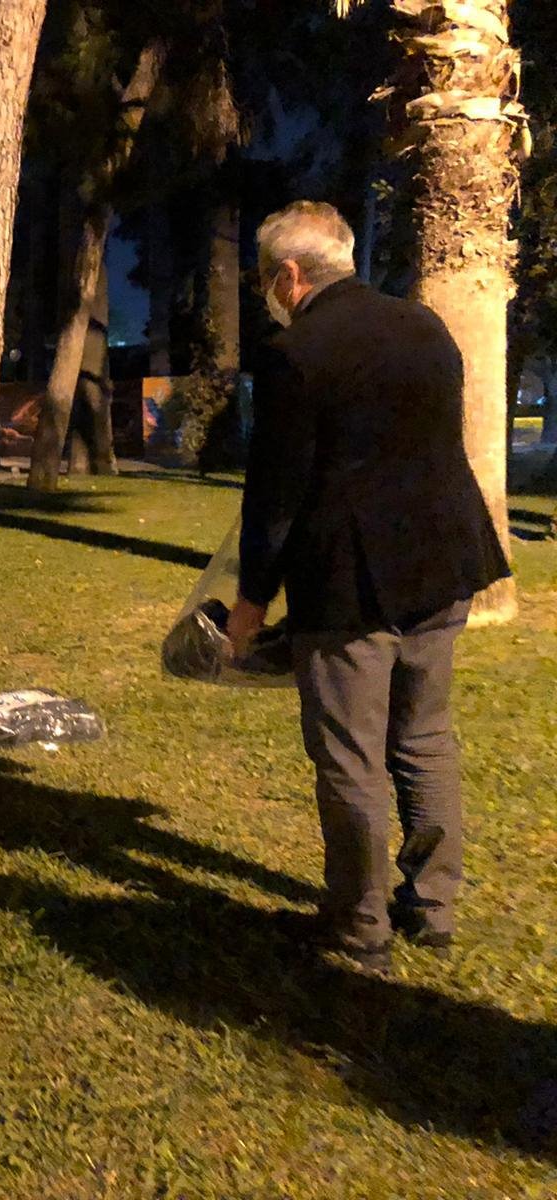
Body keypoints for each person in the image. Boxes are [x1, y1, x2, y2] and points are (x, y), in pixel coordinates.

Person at [226, 201, 511, 972]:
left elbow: (277, 497)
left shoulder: (297, 352)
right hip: (446, 561)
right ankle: (436, 906)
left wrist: (251, 605)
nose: (267, 291)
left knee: (350, 755)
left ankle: (359, 927)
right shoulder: (424, 326)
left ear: (289, 274)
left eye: (265, 278)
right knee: (424, 737)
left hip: (353, 577)